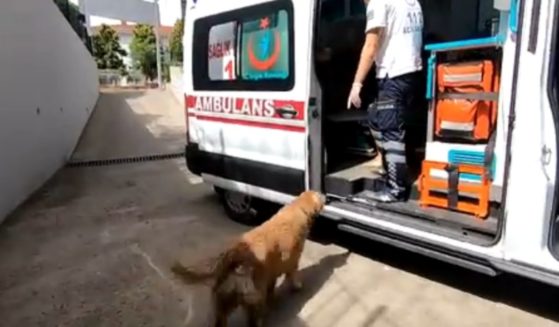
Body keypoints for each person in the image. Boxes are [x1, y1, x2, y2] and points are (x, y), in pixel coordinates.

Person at [347, 0, 424, 202]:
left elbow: (371, 46)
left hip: (393, 74)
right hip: (412, 73)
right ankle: (394, 170)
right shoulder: (411, 2)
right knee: (374, 115)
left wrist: (357, 84)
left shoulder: (379, 3)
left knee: (391, 132)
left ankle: (396, 189)